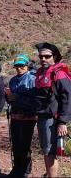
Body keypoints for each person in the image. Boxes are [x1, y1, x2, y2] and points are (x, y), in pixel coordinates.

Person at [34, 42, 70, 177]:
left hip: (52, 119)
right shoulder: (41, 73)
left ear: (54, 57)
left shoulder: (59, 74)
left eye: (47, 56)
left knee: (50, 152)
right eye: (41, 56)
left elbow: (68, 98)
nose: (43, 59)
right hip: (42, 117)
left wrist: (62, 122)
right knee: (46, 150)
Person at [6, 54, 37, 178]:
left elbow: (35, 100)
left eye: (21, 66)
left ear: (27, 66)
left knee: (25, 144)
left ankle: (26, 170)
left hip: (28, 117)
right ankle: (17, 168)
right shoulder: (13, 80)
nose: (19, 68)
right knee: (16, 143)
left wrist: (16, 98)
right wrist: (8, 97)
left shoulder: (33, 78)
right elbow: (10, 100)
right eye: (17, 66)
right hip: (15, 116)